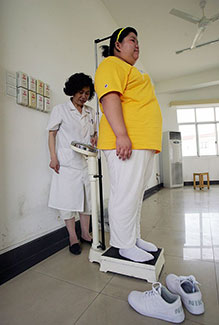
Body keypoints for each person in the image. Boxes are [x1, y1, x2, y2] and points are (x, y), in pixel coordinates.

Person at [95, 27, 162, 262]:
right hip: (127, 141)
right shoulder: (111, 65)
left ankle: (133, 237)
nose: (137, 45)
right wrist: (121, 134)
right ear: (118, 45)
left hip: (143, 142)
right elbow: (109, 97)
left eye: (138, 41)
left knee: (135, 194)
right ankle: (123, 244)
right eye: (132, 40)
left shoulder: (133, 71)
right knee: (125, 193)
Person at [47, 73, 97, 255]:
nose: (83, 96)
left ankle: (85, 233)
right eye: (80, 92)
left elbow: (95, 133)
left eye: (87, 93)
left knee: (87, 201)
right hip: (66, 163)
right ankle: (72, 237)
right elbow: (52, 134)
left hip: (86, 163)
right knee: (67, 202)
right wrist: (53, 158)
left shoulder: (91, 112)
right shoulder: (60, 110)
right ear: (72, 91)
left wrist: (94, 138)